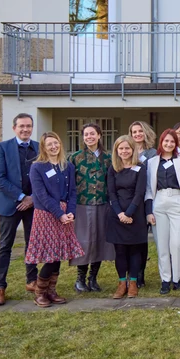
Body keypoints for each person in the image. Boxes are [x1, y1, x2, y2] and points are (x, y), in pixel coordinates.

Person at [25, 132, 84, 307]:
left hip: (65, 214)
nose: (53, 147)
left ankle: (51, 291)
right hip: (47, 214)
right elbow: (41, 195)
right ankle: (40, 292)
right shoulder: (37, 167)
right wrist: (59, 213)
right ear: (43, 147)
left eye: (56, 143)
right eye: (49, 144)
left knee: (58, 252)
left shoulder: (68, 166)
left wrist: (71, 211)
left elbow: (73, 192)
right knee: (50, 256)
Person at [0, 114, 40, 306]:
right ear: (14, 128)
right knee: (5, 246)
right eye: (21, 126)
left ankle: (31, 281)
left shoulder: (38, 147)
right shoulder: (2, 148)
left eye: (28, 126)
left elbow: (43, 176)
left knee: (32, 244)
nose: (25, 129)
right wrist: (22, 197)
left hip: (33, 206)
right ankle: (0, 287)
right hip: (10, 204)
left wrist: (33, 199)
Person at [145, 129, 180, 294]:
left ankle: (178, 279)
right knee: (162, 245)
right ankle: (165, 280)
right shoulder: (152, 162)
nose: (169, 144)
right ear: (161, 142)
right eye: (166, 141)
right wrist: (149, 211)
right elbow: (148, 189)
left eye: (172, 142)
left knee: (177, 243)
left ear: (176, 144)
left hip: (178, 202)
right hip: (159, 202)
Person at [69, 123, 115, 293]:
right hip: (82, 205)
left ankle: (93, 278)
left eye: (92, 134)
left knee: (100, 241)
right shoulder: (75, 158)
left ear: (99, 135)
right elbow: (70, 184)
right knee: (84, 241)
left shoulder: (108, 158)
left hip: (102, 205)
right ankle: (80, 278)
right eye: (86, 134)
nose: (89, 137)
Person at [106, 136, 148, 299]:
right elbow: (111, 193)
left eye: (127, 148)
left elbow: (139, 193)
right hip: (117, 214)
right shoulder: (113, 168)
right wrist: (120, 214)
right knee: (120, 251)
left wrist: (129, 213)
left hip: (135, 214)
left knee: (135, 250)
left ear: (133, 149)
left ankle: (133, 283)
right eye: (121, 148)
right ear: (116, 150)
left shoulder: (140, 167)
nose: (124, 151)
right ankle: (122, 282)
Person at [129, 120, 157, 288]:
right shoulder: (127, 150)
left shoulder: (152, 153)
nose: (137, 134)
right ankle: (130, 273)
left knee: (142, 239)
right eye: (134, 132)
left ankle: (140, 274)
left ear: (146, 133)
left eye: (140, 131)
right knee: (129, 239)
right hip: (129, 199)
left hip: (147, 198)